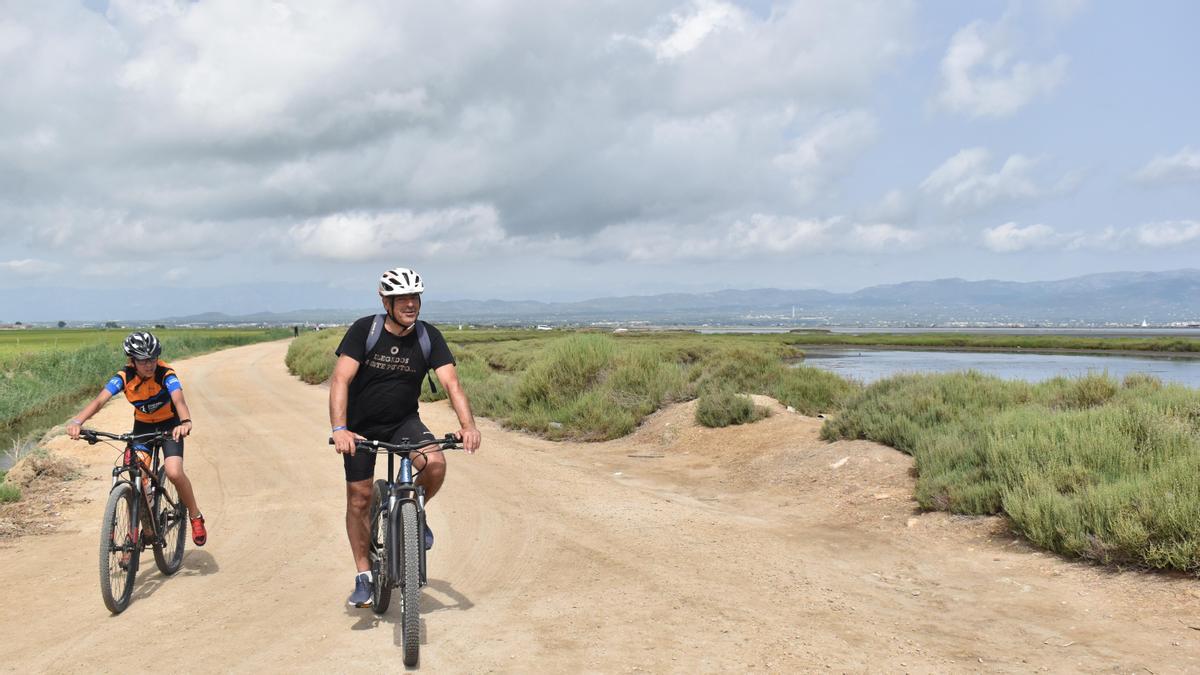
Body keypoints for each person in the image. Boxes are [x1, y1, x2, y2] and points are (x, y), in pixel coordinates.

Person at [330, 267, 481, 608]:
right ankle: (364, 576)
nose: (411, 304)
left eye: (416, 297)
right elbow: (340, 380)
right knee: (359, 498)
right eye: (403, 299)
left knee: (436, 464)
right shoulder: (364, 331)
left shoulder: (428, 337)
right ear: (387, 301)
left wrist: (468, 425)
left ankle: (416, 515)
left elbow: (452, 384)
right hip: (360, 427)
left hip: (403, 423)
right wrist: (340, 429)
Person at [67, 331, 207, 546]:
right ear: (132, 361)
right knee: (136, 475)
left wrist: (185, 422)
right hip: (142, 427)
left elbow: (179, 400)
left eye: (152, 358)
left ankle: (195, 516)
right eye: (143, 360)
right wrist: (78, 422)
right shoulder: (124, 377)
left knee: (174, 472)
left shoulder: (165, 373)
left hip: (171, 426)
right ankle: (147, 521)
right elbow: (99, 401)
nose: (149, 365)